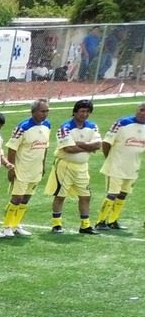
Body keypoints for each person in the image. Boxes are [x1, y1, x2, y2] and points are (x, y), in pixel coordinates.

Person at [0, 99, 52, 236]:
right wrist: (11, 169)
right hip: (22, 169)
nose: (45, 114)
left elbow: (45, 147)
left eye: (47, 111)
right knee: (16, 198)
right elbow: (12, 148)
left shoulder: (47, 125)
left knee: (26, 198)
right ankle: (6, 226)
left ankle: (16, 225)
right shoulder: (23, 127)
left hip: (36, 169)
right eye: (42, 111)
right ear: (34, 111)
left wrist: (43, 165)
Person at [50, 99, 99, 234]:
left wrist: (79, 144)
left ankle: (85, 225)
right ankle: (56, 224)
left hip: (83, 167)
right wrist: (88, 147)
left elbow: (98, 145)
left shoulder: (92, 126)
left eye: (87, 111)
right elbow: (69, 149)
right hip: (65, 166)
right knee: (61, 195)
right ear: (75, 112)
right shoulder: (65, 127)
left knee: (85, 195)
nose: (85, 114)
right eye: (82, 111)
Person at [95, 101, 145, 230]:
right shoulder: (122, 123)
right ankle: (100, 222)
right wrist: (110, 159)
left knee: (123, 194)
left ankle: (113, 221)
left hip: (133, 167)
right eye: (141, 110)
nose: (143, 113)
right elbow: (106, 143)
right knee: (112, 194)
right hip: (116, 166)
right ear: (136, 110)